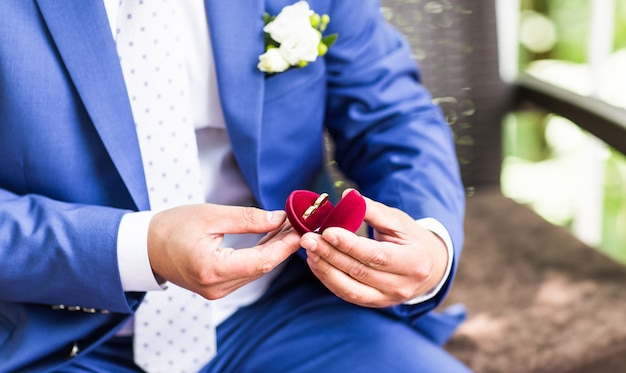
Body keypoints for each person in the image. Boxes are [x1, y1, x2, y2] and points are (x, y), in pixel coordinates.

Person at [0, 0, 469, 372]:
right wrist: (139, 249)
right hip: (44, 332)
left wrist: (431, 244)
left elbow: (391, 115)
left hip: (287, 309)